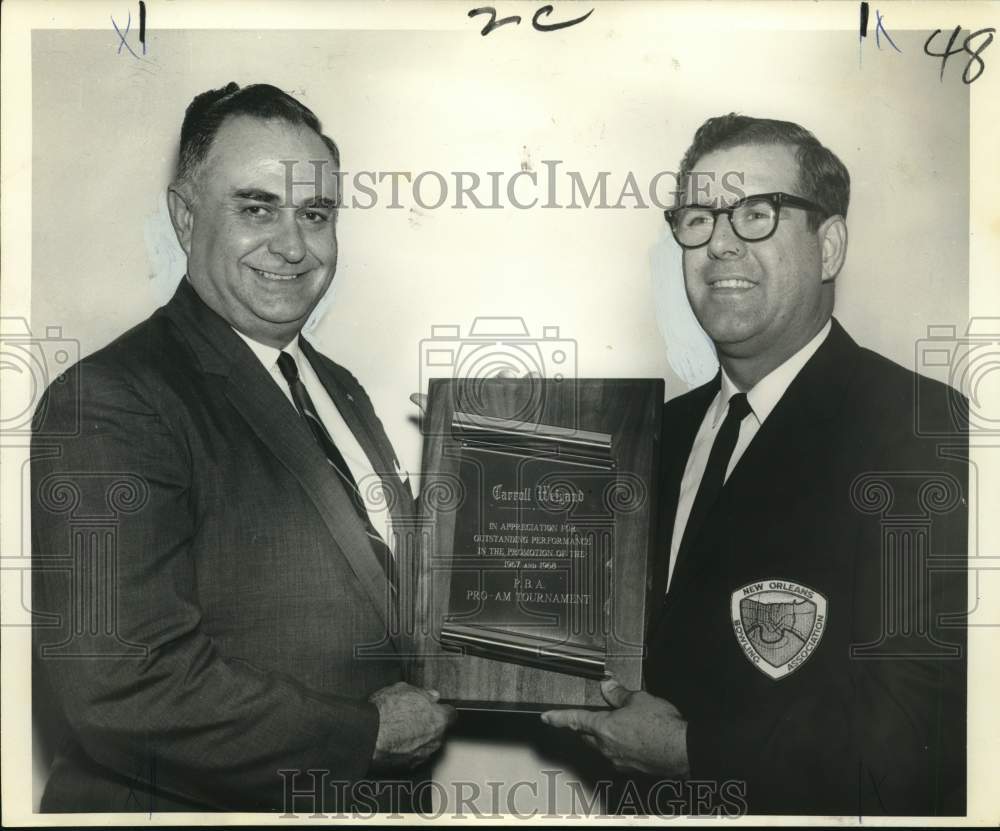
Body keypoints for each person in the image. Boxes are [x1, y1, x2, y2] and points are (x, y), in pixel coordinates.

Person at [31, 82, 455, 813]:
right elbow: (124, 683)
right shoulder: (110, 399)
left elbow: (386, 595)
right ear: (185, 214)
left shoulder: (338, 388)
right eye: (257, 207)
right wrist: (368, 733)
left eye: (315, 214)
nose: (293, 246)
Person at [543, 114, 967, 816]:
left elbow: (915, 737)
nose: (720, 244)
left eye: (756, 214)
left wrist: (689, 751)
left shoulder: (919, 430)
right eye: (698, 218)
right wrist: (490, 465)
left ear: (828, 245)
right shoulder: (655, 436)